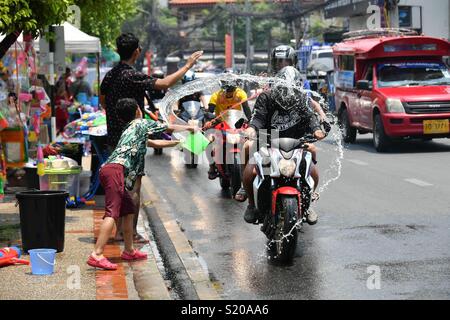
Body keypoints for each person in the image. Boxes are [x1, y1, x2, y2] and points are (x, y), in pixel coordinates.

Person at [100, 32, 203, 243]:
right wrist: (188, 65)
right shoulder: (132, 76)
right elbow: (164, 84)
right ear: (137, 51)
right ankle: (130, 234)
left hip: (114, 138)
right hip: (133, 138)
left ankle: (121, 231)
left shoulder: (110, 75)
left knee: (119, 187)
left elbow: (103, 100)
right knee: (133, 189)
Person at [87, 98, 197, 270]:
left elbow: (154, 143)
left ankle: (129, 250)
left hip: (112, 170)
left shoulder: (131, 129)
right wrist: (190, 128)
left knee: (128, 210)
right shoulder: (140, 124)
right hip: (115, 170)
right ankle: (97, 254)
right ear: (138, 111)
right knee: (112, 213)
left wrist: (179, 142)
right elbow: (166, 127)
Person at [238, 66, 327, 225]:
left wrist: (317, 130)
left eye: (290, 87)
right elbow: (258, 117)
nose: (287, 91)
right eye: (283, 87)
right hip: (267, 139)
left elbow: (310, 118)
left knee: (312, 171)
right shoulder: (266, 97)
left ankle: (308, 204)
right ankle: (251, 205)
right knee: (251, 171)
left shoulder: (302, 98)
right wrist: (252, 129)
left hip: (296, 140)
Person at [205, 78, 252, 180]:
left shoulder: (241, 94)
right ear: (223, 89)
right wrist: (209, 120)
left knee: (249, 140)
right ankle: (212, 166)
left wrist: (251, 122)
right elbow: (210, 112)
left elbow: (247, 110)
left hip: (236, 123)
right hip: (220, 123)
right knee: (209, 140)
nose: (229, 94)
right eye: (227, 91)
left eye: (232, 91)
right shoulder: (216, 96)